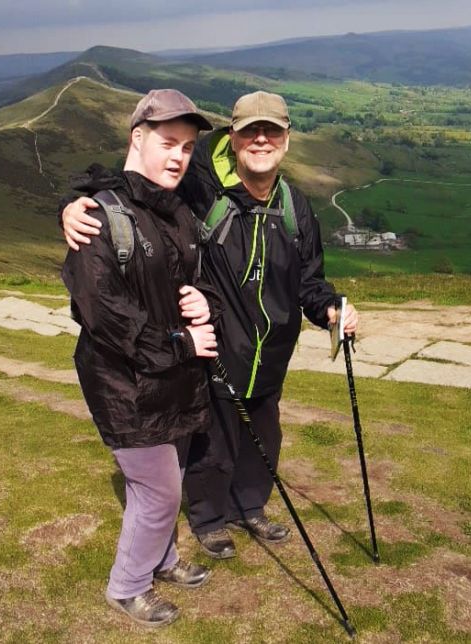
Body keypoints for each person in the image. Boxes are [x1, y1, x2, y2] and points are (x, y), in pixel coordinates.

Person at [61, 90, 359, 562]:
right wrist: (77, 202)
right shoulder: (202, 189)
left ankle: (250, 507)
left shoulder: (295, 208)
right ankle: (208, 519)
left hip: (271, 355)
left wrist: (330, 309)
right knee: (213, 446)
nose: (261, 140)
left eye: (272, 131)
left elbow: (309, 279)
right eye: (250, 131)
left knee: (264, 439)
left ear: (286, 138)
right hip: (217, 351)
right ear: (233, 137)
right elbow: (137, 182)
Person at [62, 89, 220, 628]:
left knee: (165, 475)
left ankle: (164, 558)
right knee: (158, 486)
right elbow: (102, 313)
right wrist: (180, 345)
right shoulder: (99, 219)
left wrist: (204, 301)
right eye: (168, 142)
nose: (179, 156)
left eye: (188, 146)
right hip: (123, 382)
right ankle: (128, 585)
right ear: (137, 139)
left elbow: (184, 282)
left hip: (168, 378)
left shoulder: (175, 208)